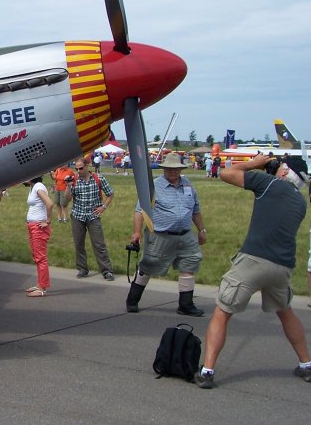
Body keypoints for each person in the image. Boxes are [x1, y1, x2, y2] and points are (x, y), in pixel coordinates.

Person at [195, 154, 311, 388]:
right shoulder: (300, 202)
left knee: (222, 312)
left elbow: (226, 173)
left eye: (280, 166)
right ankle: (306, 364)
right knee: (285, 311)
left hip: (254, 259)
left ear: (285, 172)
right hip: (282, 266)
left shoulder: (269, 184)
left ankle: (207, 371)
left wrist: (254, 164)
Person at [125, 153, 207, 316]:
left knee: (190, 263)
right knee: (148, 266)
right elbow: (140, 210)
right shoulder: (154, 186)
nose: (173, 172)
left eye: (176, 169)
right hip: (160, 235)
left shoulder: (188, 185)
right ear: (164, 169)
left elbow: (196, 210)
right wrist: (137, 232)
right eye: (169, 169)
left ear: (181, 170)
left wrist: (201, 230)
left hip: (185, 236)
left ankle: (185, 305)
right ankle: (132, 300)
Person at [67, 158, 115, 280]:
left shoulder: (98, 178)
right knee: (79, 244)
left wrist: (103, 207)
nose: (78, 171)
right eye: (76, 169)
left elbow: (110, 194)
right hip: (77, 216)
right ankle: (82, 269)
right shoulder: (74, 180)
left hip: (93, 216)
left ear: (87, 166)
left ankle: (107, 271)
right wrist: (68, 186)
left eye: (81, 168)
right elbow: (67, 199)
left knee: (99, 244)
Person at [23, 176, 54, 297]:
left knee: (40, 257)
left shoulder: (38, 186)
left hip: (38, 227)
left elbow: (50, 204)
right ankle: (40, 283)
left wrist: (48, 221)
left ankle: (42, 288)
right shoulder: (33, 187)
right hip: (32, 225)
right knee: (36, 256)